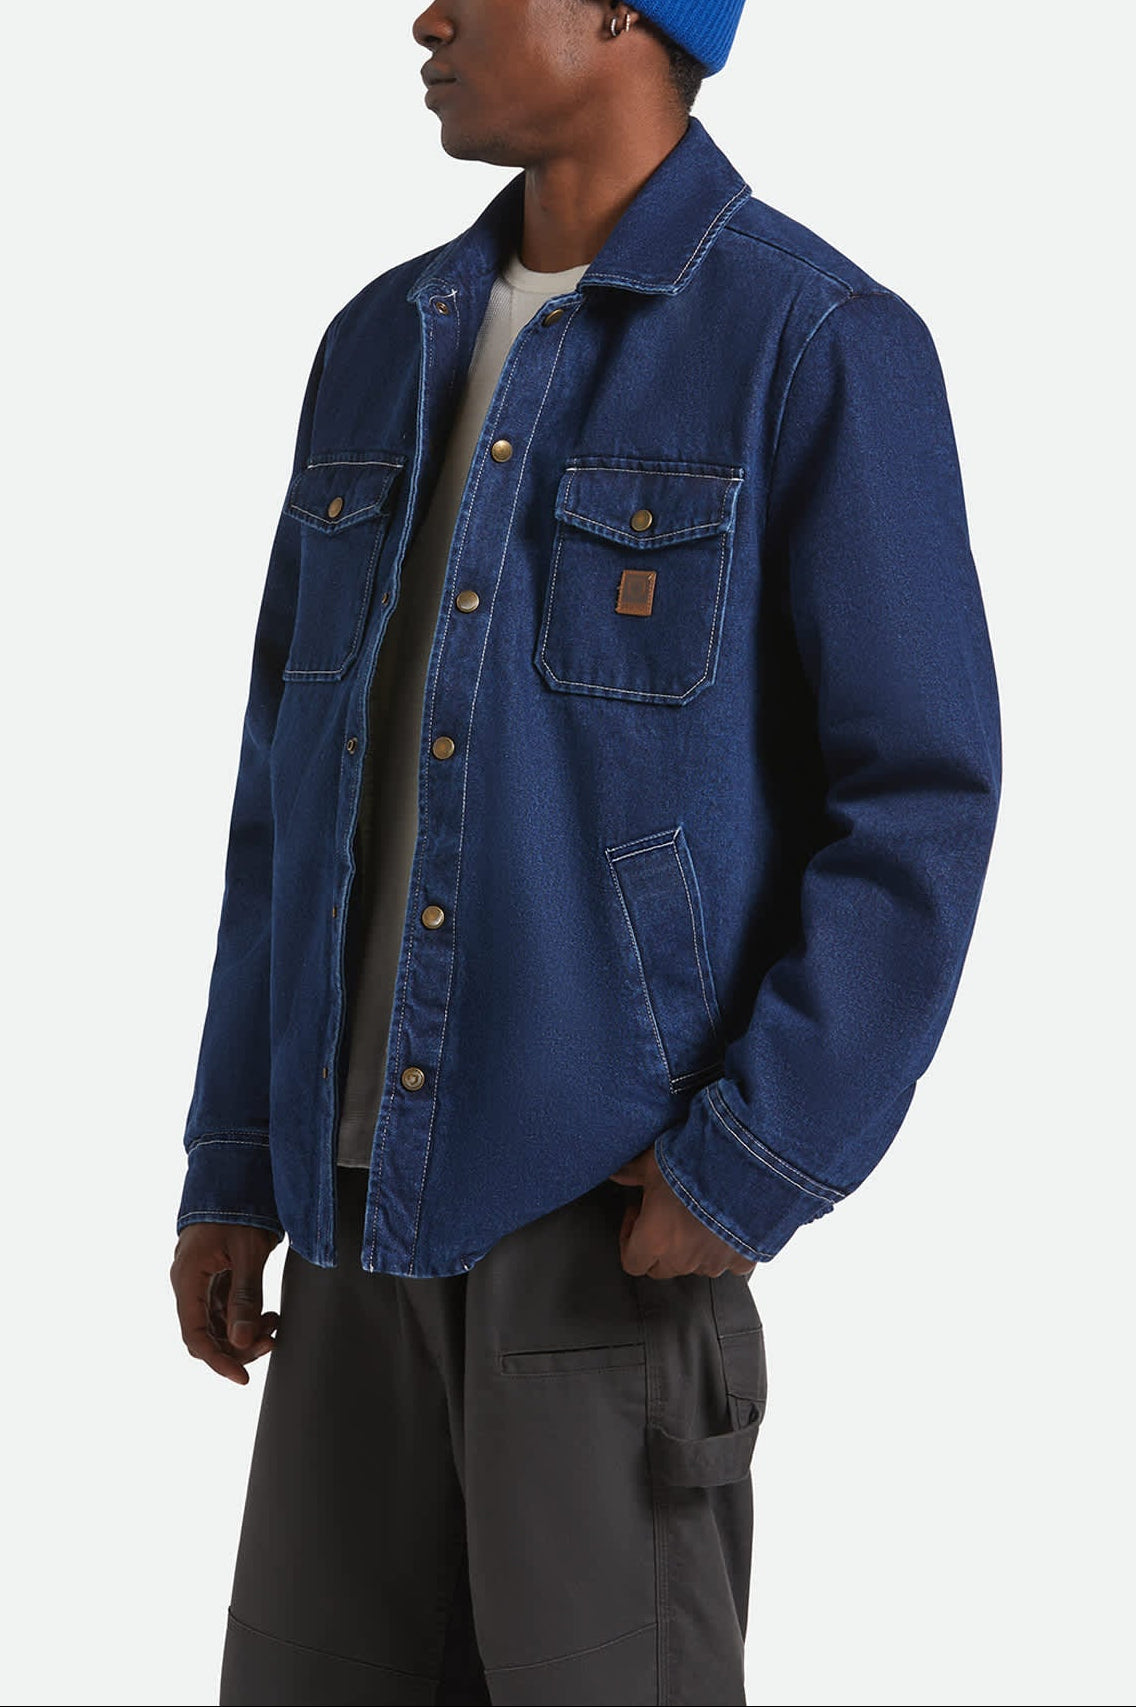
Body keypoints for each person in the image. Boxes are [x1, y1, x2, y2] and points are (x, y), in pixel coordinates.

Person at [169, 3, 1002, 1702]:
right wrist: (235, 1157)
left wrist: (753, 1160)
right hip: (342, 1224)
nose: (427, 14)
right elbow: (284, 797)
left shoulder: (814, 340)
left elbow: (919, 794)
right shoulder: (376, 343)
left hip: (598, 1221)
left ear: (630, 11)